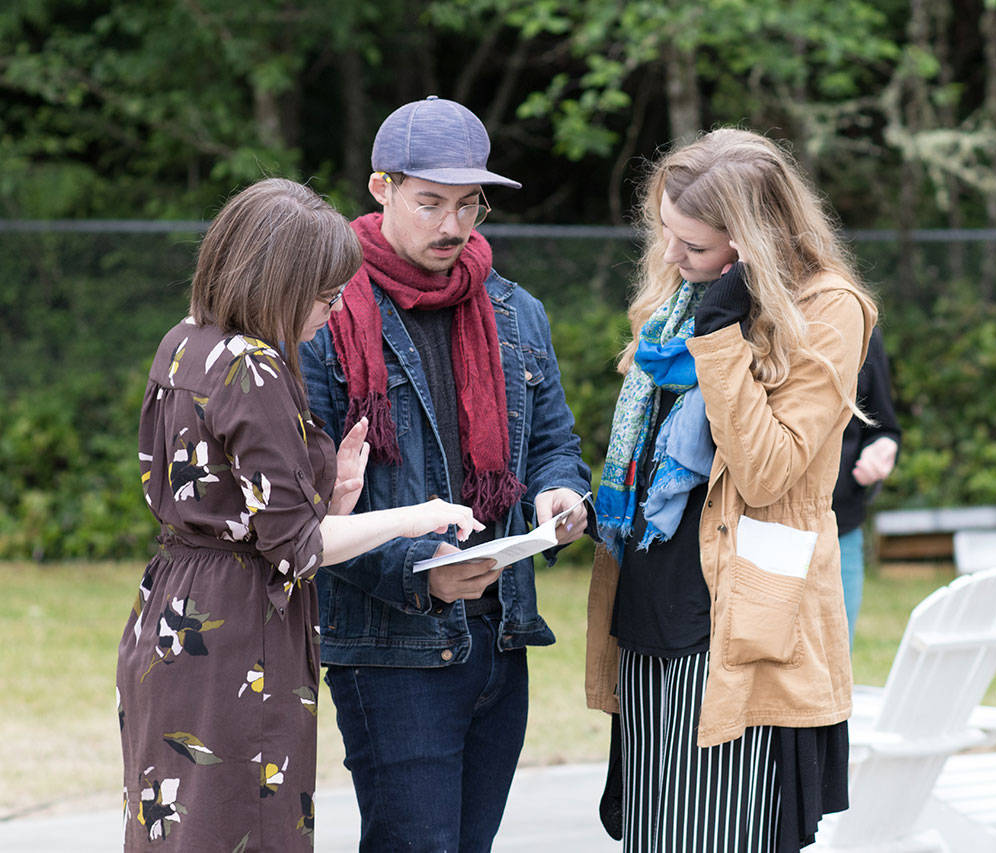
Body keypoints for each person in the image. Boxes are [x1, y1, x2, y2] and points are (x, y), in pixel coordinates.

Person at [117, 178, 483, 850]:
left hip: (173, 613)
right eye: (324, 295)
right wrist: (416, 515)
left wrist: (336, 491)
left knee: (180, 826)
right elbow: (298, 548)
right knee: (245, 827)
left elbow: (238, 505)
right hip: (235, 629)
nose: (336, 307)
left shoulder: (186, 342)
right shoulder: (254, 369)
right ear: (276, 286)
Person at [300, 96, 593, 852]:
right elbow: (305, 509)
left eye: (470, 204)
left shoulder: (517, 311)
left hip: (503, 635)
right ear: (381, 187)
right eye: (431, 201)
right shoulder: (322, 317)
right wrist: (419, 571)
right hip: (390, 646)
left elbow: (556, 444)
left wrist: (563, 491)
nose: (453, 225)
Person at [585, 128, 878, 852]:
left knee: (719, 834)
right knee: (654, 834)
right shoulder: (679, 299)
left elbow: (769, 469)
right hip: (652, 597)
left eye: (695, 246)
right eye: (668, 236)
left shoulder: (828, 310)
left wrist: (722, 335)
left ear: (751, 241)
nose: (673, 258)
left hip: (735, 616)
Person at [832, 327, 901, 643]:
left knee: (834, 667)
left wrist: (881, 448)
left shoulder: (860, 330)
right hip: (755, 530)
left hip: (841, 530)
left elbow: (883, 426)